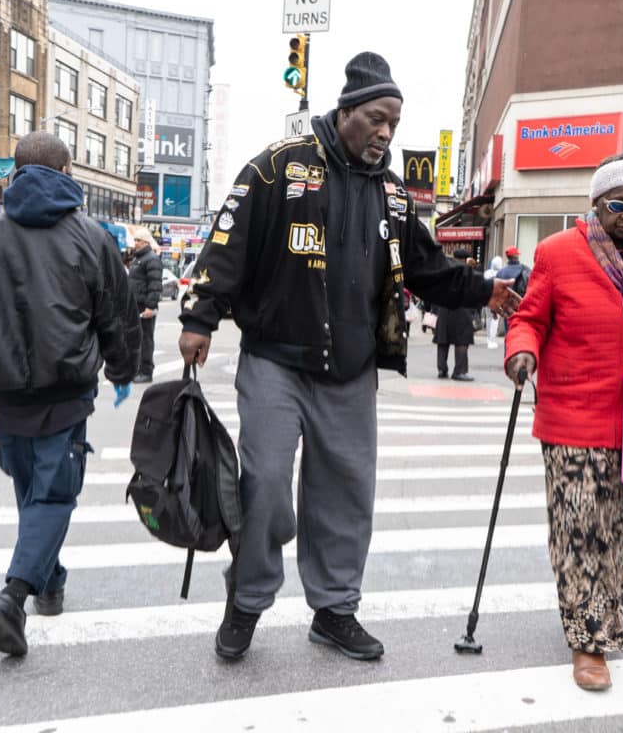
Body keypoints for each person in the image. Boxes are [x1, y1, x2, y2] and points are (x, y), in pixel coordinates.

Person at [178, 52, 520, 662]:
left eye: (394, 123)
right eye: (377, 118)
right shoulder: (277, 168)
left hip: (351, 369)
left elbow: (428, 268)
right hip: (276, 360)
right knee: (265, 487)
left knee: (345, 491)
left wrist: (483, 291)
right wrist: (199, 316)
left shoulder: (393, 194)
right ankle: (247, 601)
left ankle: (335, 610)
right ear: (346, 112)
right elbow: (227, 242)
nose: (386, 132)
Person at [504, 153, 623, 691]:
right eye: (619, 204)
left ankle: (603, 614)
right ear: (595, 205)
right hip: (572, 418)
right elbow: (529, 318)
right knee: (580, 532)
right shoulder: (557, 252)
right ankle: (588, 643)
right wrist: (522, 352)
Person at [0, 131, 140, 657]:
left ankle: (50, 582)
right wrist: (123, 369)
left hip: (7, 395)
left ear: (16, 172)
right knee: (52, 494)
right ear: (66, 171)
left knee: (36, 491)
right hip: (65, 391)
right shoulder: (91, 236)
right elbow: (116, 314)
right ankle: (14, 596)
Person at [433, 249, 476, 381]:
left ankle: (442, 369)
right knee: (462, 341)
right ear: (465, 259)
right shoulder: (468, 272)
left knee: (443, 339)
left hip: (444, 309)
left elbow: (435, 290)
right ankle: (459, 371)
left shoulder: (444, 270)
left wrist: (433, 310)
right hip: (462, 310)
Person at [129, 226, 163, 383]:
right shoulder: (138, 259)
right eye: (135, 240)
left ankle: (146, 372)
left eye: (139, 240)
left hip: (145, 306)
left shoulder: (151, 259)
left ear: (146, 242)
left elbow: (155, 285)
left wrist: (150, 306)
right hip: (136, 305)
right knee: (136, 340)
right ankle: (138, 370)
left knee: (146, 340)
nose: (136, 243)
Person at [483, 255, 504, 348]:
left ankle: (488, 338)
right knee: (495, 319)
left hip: (486, 298)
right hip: (496, 299)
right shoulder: (501, 274)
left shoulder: (486, 273)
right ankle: (492, 340)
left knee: (488, 318)